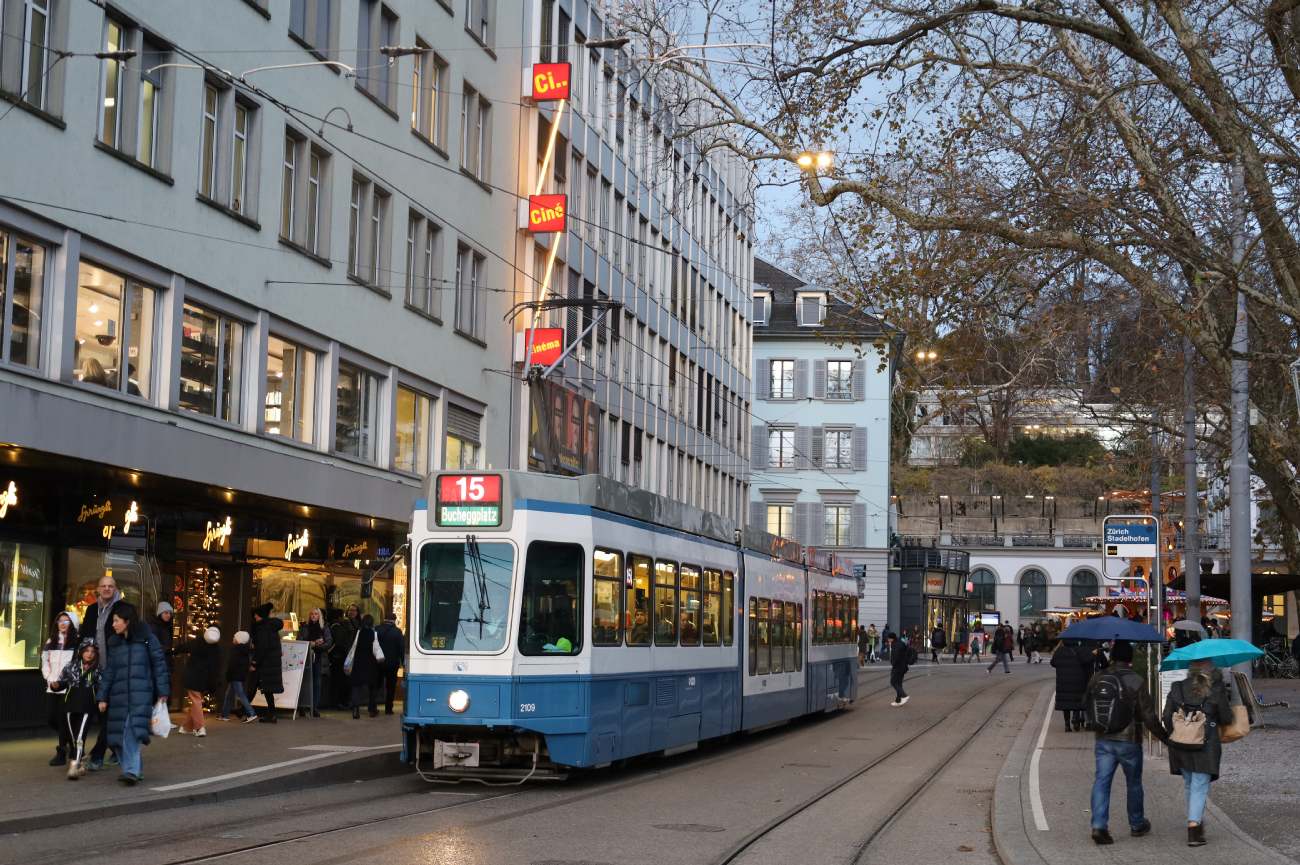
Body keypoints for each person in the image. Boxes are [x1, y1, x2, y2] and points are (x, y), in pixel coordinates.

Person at [1085, 640, 1163, 845]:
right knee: (1134, 783)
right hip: (1129, 740)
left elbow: (1087, 704)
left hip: (1103, 739)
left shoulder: (1096, 678)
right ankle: (1137, 824)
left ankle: (1099, 826)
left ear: (1111, 657)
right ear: (1129, 657)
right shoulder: (1135, 680)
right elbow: (1148, 715)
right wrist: (1164, 737)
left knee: (1101, 782)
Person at [1163, 658, 1234, 846]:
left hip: (1180, 744)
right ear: (1211, 670)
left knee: (1189, 784)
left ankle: (1196, 821)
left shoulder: (1177, 687)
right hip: (1206, 744)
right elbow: (1227, 718)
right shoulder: (1217, 688)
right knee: (1199, 786)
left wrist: (1181, 730)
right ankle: (1194, 829)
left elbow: (1166, 716)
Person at [97, 603, 169, 785]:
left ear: (127, 621)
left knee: (132, 731)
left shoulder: (147, 639)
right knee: (118, 735)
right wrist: (102, 696)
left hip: (141, 693)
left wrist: (163, 691)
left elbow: (159, 664)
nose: (113, 624)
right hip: (119, 695)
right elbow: (109, 672)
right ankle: (134, 768)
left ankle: (131, 771)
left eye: (116, 621)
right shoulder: (114, 643)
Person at [81, 575, 123, 771]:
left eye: (110, 586)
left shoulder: (122, 610)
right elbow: (84, 638)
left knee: (108, 715)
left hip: (114, 671)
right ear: (98, 589)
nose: (106, 589)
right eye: (103, 586)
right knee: (102, 714)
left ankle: (97, 755)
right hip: (94, 671)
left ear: (115, 589)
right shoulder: (91, 610)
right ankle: (117, 749)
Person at [51, 639, 101, 779]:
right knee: (74, 737)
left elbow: (102, 687)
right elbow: (63, 682)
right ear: (81, 652)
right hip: (71, 705)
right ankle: (83, 759)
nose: (89, 654)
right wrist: (56, 686)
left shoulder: (98, 668)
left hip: (87, 706)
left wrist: (102, 701)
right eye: (86, 651)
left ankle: (75, 764)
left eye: (92, 651)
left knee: (80, 737)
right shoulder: (71, 666)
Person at [43, 611, 81, 766]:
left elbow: (78, 665)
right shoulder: (51, 641)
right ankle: (71, 743)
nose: (63, 624)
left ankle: (61, 751)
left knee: (62, 718)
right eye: (60, 621)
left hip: (68, 687)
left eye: (66, 621)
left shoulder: (77, 642)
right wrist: (49, 678)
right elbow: (45, 661)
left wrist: (67, 681)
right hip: (53, 686)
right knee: (51, 718)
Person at [175, 626, 220, 737]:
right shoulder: (217, 650)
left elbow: (182, 647)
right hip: (205, 679)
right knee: (197, 701)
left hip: (191, 676)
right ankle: (199, 727)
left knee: (196, 702)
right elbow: (215, 669)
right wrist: (213, 684)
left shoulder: (196, 642)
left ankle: (188, 727)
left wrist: (174, 650)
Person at [249, 603, 284, 723]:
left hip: (265, 663)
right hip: (270, 662)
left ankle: (246, 710)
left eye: (256, 614)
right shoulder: (270, 627)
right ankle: (271, 714)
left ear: (259, 615)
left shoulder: (263, 629)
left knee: (255, 685)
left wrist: (254, 663)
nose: (254, 617)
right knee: (265, 688)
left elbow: (262, 647)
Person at [347, 614, 384, 718]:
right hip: (371, 663)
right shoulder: (375, 634)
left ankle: (355, 710)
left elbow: (352, 645)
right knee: (372, 687)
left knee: (357, 687)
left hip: (358, 662)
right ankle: (372, 709)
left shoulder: (358, 633)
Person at [1051, 639, 1092, 732]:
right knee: (1076, 699)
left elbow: (1052, 663)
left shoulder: (1060, 651)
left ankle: (1067, 725)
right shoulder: (1078, 650)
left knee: (1065, 702)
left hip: (1063, 680)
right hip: (1077, 679)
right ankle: (1075, 719)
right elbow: (1085, 661)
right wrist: (1093, 654)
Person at [298, 608, 332, 717]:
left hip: (318, 658)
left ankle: (315, 708)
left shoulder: (324, 627)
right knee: (304, 683)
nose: (313, 616)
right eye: (312, 614)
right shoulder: (304, 627)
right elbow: (299, 640)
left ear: (319, 616)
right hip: (305, 657)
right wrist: (311, 643)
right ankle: (302, 707)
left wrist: (316, 645)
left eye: (316, 614)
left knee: (317, 683)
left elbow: (328, 643)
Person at [218, 631, 257, 723]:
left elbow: (232, 663)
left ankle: (251, 712)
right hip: (240, 674)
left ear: (239, 640)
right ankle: (225, 713)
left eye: (235, 637)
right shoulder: (244, 650)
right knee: (229, 694)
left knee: (240, 694)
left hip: (235, 674)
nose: (233, 638)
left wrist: (228, 673)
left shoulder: (236, 650)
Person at [375, 613, 405, 715]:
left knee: (376, 684)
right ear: (394, 621)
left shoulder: (376, 629)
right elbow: (401, 648)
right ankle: (388, 708)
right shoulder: (397, 632)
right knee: (391, 686)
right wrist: (403, 661)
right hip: (392, 663)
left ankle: (373, 707)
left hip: (378, 662)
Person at [149, 602, 176, 706]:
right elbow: (154, 644)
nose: (168, 615)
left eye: (170, 613)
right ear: (160, 613)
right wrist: (167, 650)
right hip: (158, 663)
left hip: (164, 662)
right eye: (166, 612)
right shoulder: (154, 626)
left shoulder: (166, 627)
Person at [327, 609, 352, 709]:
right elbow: (340, 643)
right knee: (341, 681)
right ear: (339, 617)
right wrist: (348, 653)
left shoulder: (331, 626)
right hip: (339, 657)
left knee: (336, 681)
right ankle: (339, 702)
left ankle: (336, 702)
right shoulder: (338, 628)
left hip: (334, 657)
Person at [887, 631, 911, 706]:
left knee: (893, 681)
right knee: (899, 682)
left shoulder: (895, 644)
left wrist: (893, 664)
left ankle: (904, 696)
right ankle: (898, 700)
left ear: (892, 638)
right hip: (903, 666)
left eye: (888, 639)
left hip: (898, 666)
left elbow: (896, 656)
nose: (888, 640)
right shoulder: (900, 642)